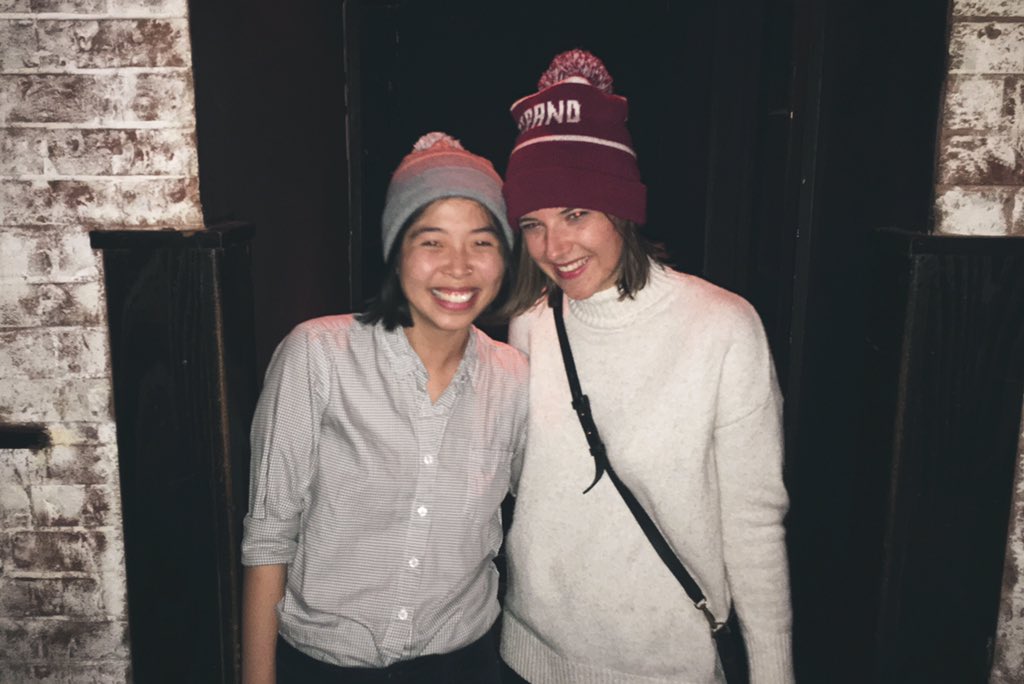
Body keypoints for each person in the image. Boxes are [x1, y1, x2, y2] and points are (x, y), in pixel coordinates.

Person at [498, 50, 794, 683]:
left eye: (576, 213)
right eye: (534, 224)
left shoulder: (722, 327)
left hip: (667, 666)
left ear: (622, 209)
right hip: (529, 656)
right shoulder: (530, 323)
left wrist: (772, 671)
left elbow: (753, 519)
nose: (555, 248)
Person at [240, 132, 528, 684]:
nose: (459, 267)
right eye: (432, 242)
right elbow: (269, 534)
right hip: (325, 666)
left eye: (482, 243)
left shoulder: (514, 378)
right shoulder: (319, 354)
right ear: (396, 250)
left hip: (463, 665)